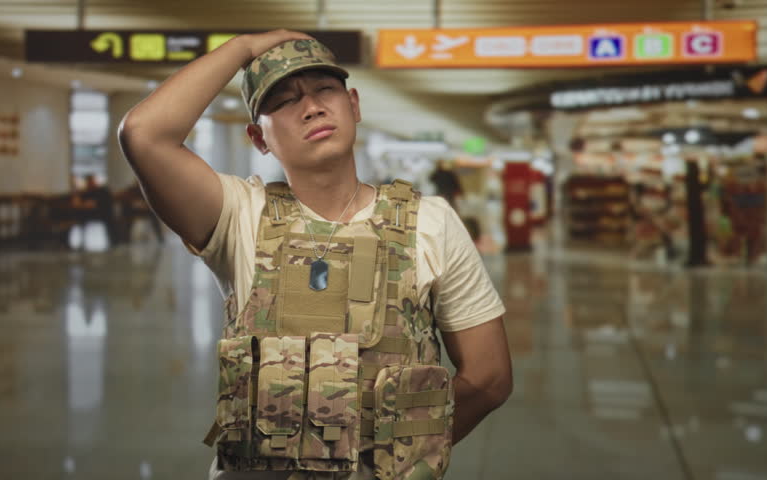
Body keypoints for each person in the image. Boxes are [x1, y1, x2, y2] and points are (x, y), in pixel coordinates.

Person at [118, 30, 511, 480]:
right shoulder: (240, 215)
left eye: (325, 89)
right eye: (284, 101)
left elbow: (489, 377)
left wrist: (402, 458)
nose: (312, 107)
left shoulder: (430, 222)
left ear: (354, 105)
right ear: (258, 138)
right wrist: (242, 47)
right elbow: (144, 134)